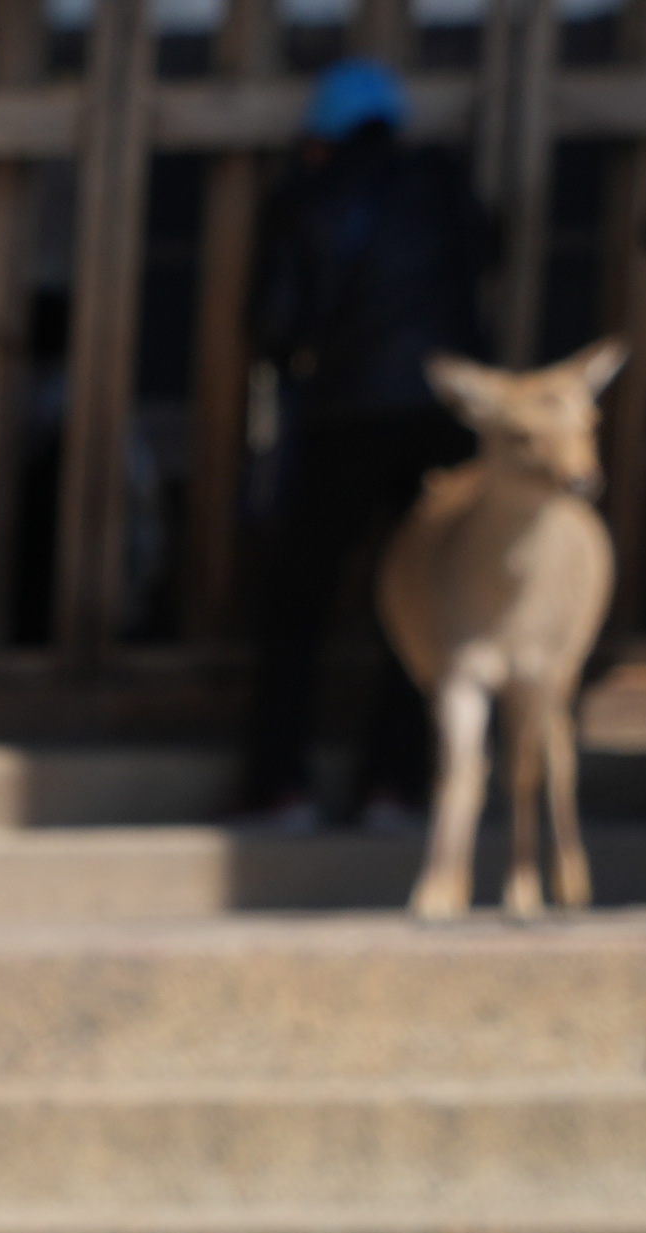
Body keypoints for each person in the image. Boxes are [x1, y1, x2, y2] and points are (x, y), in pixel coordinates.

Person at [243, 61, 501, 826]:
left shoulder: (308, 196)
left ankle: (280, 787)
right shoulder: (446, 187)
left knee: (298, 604)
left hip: (346, 416)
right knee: (426, 602)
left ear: (320, 136)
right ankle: (395, 786)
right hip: (442, 420)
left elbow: (275, 323)